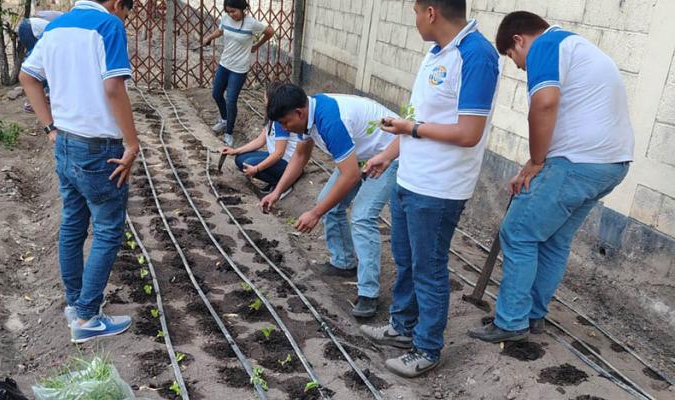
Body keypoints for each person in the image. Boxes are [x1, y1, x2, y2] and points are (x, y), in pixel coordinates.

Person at [468, 11, 633, 343]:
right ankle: (533, 316)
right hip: (612, 164)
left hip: (577, 163)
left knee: (517, 232)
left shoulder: (545, 45)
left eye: (517, 61)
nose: (521, 68)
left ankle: (511, 322)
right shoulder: (581, 47)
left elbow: (544, 104)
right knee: (555, 240)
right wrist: (536, 163)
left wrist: (538, 161)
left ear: (519, 40)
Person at [359, 0, 500, 378]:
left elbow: (469, 133)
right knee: (406, 260)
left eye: (416, 12)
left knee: (429, 268)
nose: (416, 20)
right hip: (410, 178)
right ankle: (402, 328)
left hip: (439, 188)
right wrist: (389, 155)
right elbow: (415, 117)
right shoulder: (435, 54)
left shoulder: (476, 56)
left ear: (432, 12)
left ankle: (427, 348)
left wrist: (411, 131)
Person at [19, 0, 139, 343]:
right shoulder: (109, 26)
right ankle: (87, 317)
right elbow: (114, 88)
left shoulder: (57, 27)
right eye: (126, 12)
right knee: (106, 230)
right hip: (99, 149)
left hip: (66, 143)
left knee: (73, 223)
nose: (124, 19)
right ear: (117, 4)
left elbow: (27, 76)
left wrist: (50, 127)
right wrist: (132, 144)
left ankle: (75, 305)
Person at [260, 83, 398, 318]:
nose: (285, 128)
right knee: (329, 202)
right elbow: (301, 155)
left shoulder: (330, 121)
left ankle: (368, 293)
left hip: (392, 152)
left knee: (363, 216)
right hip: (364, 153)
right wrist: (277, 191)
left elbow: (351, 174)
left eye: (285, 123)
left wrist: (315, 213)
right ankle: (343, 262)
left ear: (299, 113)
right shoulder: (307, 112)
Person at [202, 0, 274, 145]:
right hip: (225, 64)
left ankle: (229, 132)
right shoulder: (225, 18)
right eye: (228, 11)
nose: (231, 14)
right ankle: (224, 120)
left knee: (231, 100)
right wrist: (210, 37)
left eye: (233, 11)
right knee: (216, 93)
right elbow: (221, 30)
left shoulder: (251, 23)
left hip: (239, 69)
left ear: (242, 9)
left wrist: (256, 45)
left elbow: (270, 32)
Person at [221, 83, 300, 196]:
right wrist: (235, 151)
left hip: (288, 163)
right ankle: (273, 181)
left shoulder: (280, 121)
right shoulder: (271, 117)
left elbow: (279, 153)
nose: (264, 98)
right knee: (240, 158)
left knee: (249, 163)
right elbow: (260, 141)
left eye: (266, 95)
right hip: (275, 157)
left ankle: (282, 184)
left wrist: (257, 168)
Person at [18, 11, 63, 113]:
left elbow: (39, 14)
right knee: (40, 65)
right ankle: (34, 102)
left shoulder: (60, 16)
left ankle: (42, 96)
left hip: (26, 25)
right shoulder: (67, 21)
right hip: (31, 29)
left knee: (36, 61)